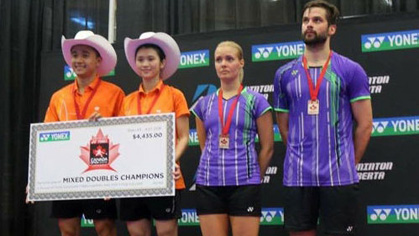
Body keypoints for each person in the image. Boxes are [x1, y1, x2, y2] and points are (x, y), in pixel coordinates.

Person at [273, 1, 373, 235]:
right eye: (306, 20)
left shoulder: (351, 70)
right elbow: (284, 127)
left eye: (317, 20)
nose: (309, 25)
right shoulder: (284, 74)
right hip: (297, 177)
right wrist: (300, 156)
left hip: (339, 178)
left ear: (332, 29)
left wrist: (347, 162)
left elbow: (365, 124)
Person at [43, 30, 124, 236]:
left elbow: (124, 134)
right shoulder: (58, 97)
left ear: (98, 60)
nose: (78, 60)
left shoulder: (114, 93)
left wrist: (104, 127)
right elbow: (46, 141)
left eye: (85, 55)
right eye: (75, 54)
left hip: (100, 170)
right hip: (66, 172)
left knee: (104, 227)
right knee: (67, 228)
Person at [191, 41, 274, 236]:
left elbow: (268, 147)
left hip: (244, 185)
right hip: (209, 185)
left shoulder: (256, 100)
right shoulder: (203, 104)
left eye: (229, 59)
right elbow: (204, 145)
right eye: (219, 60)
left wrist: (253, 177)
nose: (223, 64)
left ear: (241, 62)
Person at [119, 32, 190, 236]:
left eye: (151, 59)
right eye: (140, 59)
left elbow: (184, 137)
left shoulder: (175, 95)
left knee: (167, 232)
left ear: (162, 63)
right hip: (133, 178)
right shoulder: (127, 101)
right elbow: (122, 141)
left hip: (165, 177)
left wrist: (168, 162)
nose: (145, 64)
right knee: (136, 232)